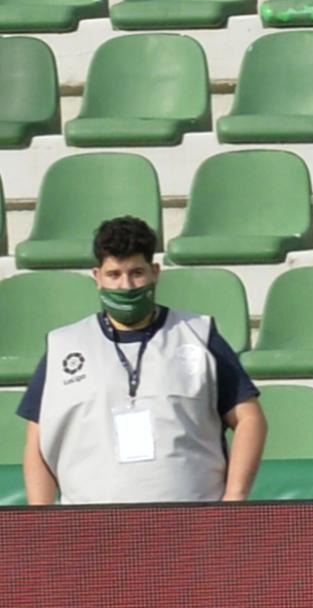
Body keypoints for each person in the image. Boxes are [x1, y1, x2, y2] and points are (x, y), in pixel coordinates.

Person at [17, 216, 266, 505]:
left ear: (155, 272)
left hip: (191, 525)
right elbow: (36, 440)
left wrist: (234, 498)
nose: (126, 285)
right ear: (97, 277)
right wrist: (41, 520)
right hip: (89, 528)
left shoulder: (197, 334)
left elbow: (250, 418)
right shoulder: (64, 345)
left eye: (136, 272)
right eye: (114, 274)